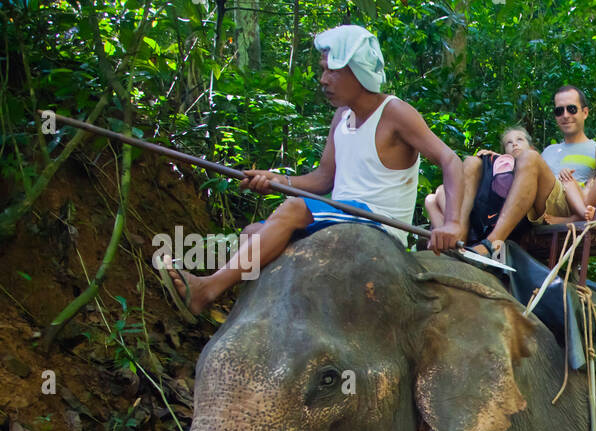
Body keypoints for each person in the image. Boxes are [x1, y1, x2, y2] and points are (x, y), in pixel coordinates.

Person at [164, 25, 462, 314]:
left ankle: (209, 290)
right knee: (254, 232)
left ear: (357, 70)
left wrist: (452, 224)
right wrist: (277, 179)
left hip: (377, 223)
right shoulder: (342, 117)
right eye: (323, 70)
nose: (323, 80)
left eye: (331, 70)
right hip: (342, 213)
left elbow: (450, 160)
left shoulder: (395, 112)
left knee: (293, 210)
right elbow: (323, 179)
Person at [451, 85, 596, 255]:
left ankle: (493, 242)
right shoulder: (549, 151)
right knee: (472, 162)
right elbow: (525, 170)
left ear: (585, 112)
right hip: (533, 202)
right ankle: (458, 237)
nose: (565, 115)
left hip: (568, 204)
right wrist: (498, 157)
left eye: (571, 109)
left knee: (530, 157)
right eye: (559, 110)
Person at [424, 127, 531, 231]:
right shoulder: (501, 165)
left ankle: (453, 234)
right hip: (478, 210)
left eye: (520, 140)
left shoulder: (533, 166)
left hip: (500, 217)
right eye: (509, 142)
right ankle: (448, 237)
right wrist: (493, 160)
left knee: (438, 195)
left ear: (531, 147)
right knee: (432, 198)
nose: (514, 144)